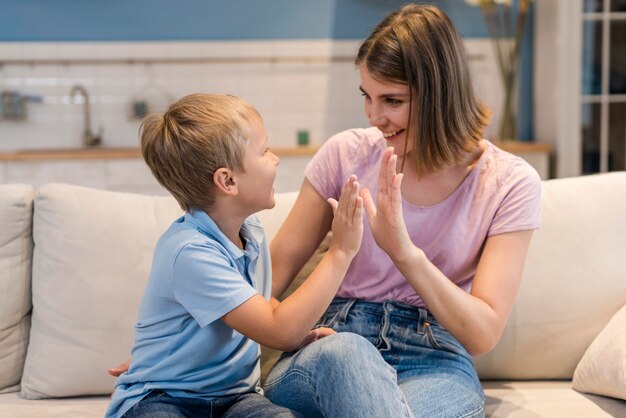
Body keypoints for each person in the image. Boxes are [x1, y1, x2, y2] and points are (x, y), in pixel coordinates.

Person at [262, 4, 541, 418]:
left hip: (434, 359)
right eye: (367, 97)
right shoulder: (344, 155)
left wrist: (404, 253)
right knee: (348, 356)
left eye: (392, 100)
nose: (375, 117)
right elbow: (265, 281)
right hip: (333, 340)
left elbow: (482, 334)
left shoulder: (510, 182)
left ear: (440, 94)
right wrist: (176, 361)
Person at [105, 93, 370, 418]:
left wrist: (300, 335)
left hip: (235, 398)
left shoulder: (251, 231)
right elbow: (276, 329)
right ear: (227, 181)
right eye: (265, 151)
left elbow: (261, 305)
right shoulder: (190, 252)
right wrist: (341, 252)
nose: (275, 160)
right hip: (164, 398)